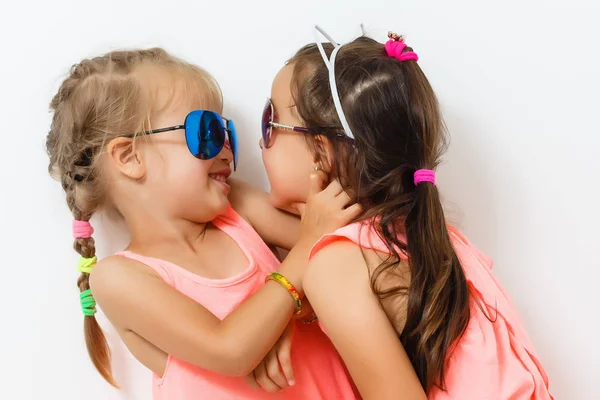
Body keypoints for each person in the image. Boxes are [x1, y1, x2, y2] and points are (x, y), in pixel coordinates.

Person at [46, 47, 359, 399]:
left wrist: (282, 320)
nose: (225, 148)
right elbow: (230, 349)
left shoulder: (235, 207)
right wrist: (300, 261)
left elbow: (341, 249)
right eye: (206, 132)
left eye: (226, 131)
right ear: (130, 157)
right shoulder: (119, 277)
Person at [258, 25, 553, 399]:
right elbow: (251, 208)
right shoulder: (419, 234)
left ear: (322, 151)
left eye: (270, 121)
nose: (259, 140)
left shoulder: (337, 265)